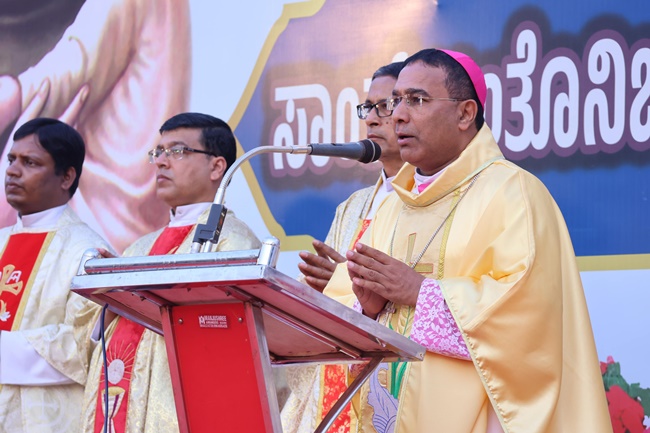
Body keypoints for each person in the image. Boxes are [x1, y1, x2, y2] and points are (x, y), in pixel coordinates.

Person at [317, 49, 612, 432]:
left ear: (465, 114)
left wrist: (420, 293)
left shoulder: (512, 193)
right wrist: (369, 310)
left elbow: (528, 322)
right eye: (396, 102)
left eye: (417, 100)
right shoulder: (392, 207)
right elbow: (342, 311)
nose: (399, 115)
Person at [78, 112, 261, 432]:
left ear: (217, 167)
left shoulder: (234, 242)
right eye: (158, 152)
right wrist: (108, 300)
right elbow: (97, 339)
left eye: (177, 151)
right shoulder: (138, 248)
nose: (162, 162)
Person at [281, 62, 405, 432]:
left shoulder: (434, 201)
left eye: (387, 106)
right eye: (369, 108)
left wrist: (347, 285)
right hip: (339, 378)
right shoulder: (352, 207)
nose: (372, 120)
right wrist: (322, 291)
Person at [0, 118, 112, 432]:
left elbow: (81, 347)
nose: (12, 171)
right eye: (11, 160)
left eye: (30, 162)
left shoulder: (88, 251)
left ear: (66, 176)